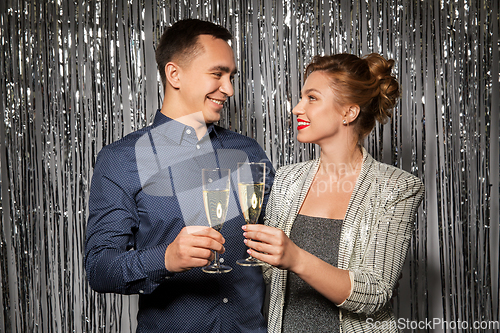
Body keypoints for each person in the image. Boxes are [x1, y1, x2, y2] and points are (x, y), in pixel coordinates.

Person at [85, 19, 274, 333]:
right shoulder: (122, 159)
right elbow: (100, 268)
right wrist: (166, 258)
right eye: (217, 74)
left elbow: (283, 231)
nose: (228, 89)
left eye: (231, 76)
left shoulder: (249, 151)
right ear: (174, 74)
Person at [243, 53, 425, 332]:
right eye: (301, 98)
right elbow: (270, 272)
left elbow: (375, 293)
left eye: (311, 98)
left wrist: (297, 258)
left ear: (348, 112)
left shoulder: (397, 187)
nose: (296, 109)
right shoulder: (287, 179)